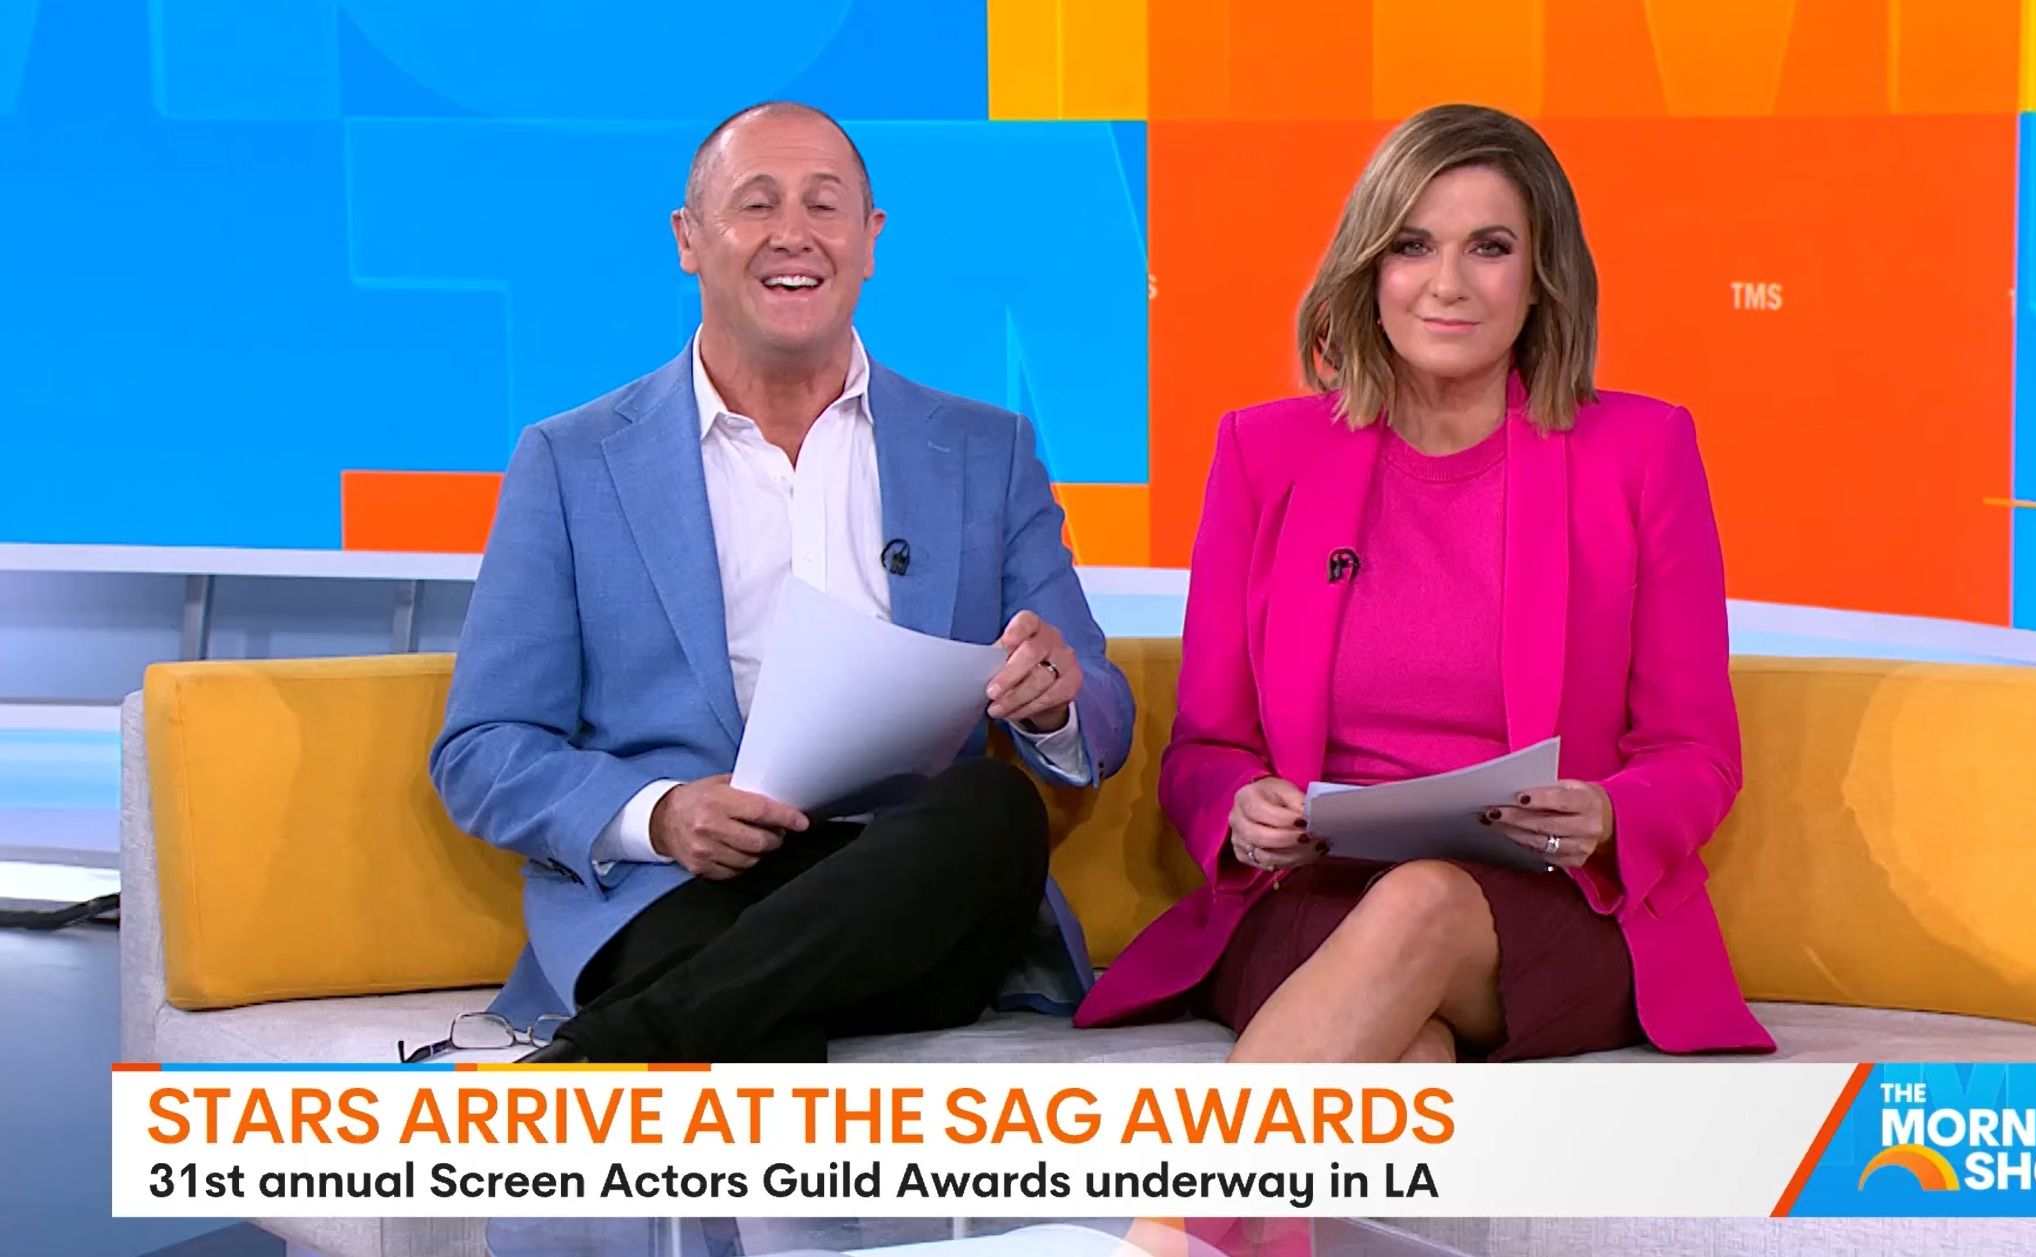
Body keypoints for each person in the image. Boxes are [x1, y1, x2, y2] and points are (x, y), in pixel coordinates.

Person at [430, 101, 1133, 1064]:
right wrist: (660, 815)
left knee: (995, 809)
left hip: (911, 875)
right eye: (756, 204)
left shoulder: (985, 450)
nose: (792, 235)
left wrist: (1052, 706)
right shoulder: (572, 461)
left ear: (869, 239)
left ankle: (606, 1050)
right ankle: (682, 1025)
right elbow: (483, 748)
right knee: (757, 990)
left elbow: (1103, 712)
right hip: (685, 890)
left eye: (823, 206)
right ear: (689, 239)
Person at [1074, 104, 1772, 1062]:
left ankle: (1194, 1172)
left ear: (1542, 277)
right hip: (1316, 896)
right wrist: (1240, 806)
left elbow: (1694, 752)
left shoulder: (1640, 453)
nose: (1447, 283)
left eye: (1489, 247)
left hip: (1549, 906)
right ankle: (1237, 1171)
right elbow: (1207, 748)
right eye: (1412, 246)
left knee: (1421, 902)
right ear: (1369, 270)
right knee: (1409, 1058)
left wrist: (1612, 813)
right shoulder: (1264, 454)